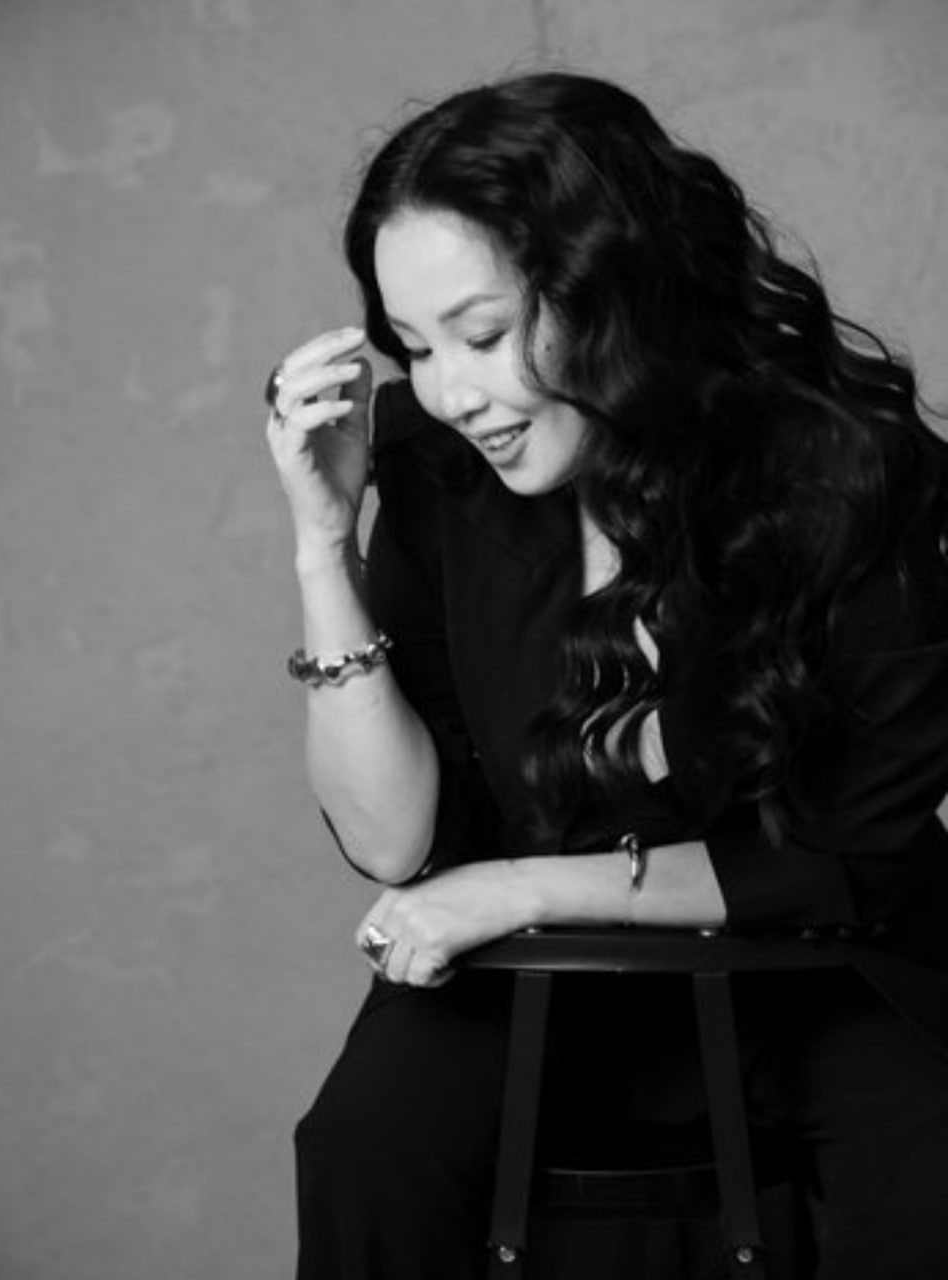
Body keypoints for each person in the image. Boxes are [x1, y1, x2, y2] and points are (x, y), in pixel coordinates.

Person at [264, 72, 948, 1280]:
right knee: (365, 1142)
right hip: (538, 980)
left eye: (483, 335)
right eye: (415, 349)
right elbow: (394, 841)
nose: (451, 393)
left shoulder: (846, 470)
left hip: (826, 964)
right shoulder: (437, 467)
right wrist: (324, 546)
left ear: (610, 289)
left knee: (932, 1167)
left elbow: (855, 850)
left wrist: (526, 884)